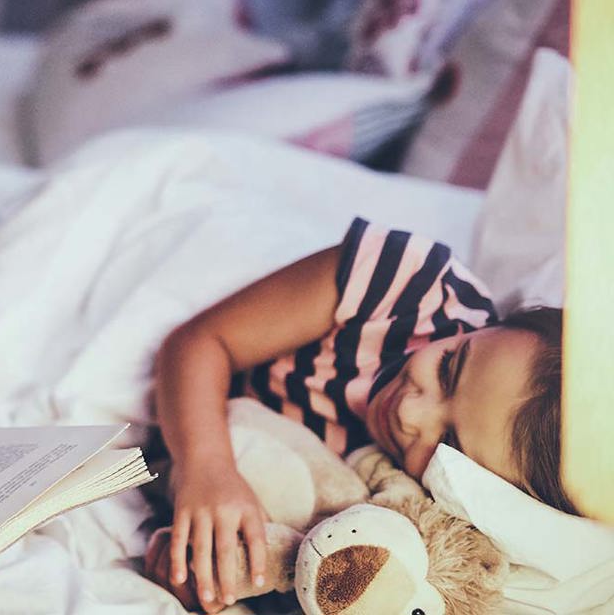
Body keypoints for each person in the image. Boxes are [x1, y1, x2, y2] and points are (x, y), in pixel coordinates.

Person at [143, 217, 572, 612]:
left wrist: (203, 571)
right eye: (448, 367)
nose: (408, 411)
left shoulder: (412, 514)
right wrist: (206, 465)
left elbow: (295, 575)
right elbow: (199, 343)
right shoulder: (409, 287)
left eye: (448, 443)